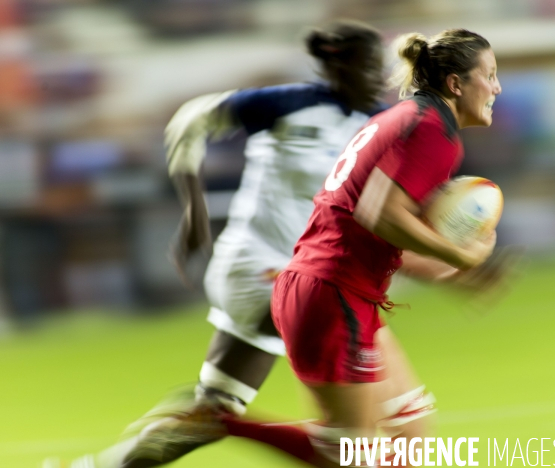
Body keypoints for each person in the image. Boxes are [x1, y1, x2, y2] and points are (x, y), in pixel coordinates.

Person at [55, 19, 389, 468]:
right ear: (340, 66)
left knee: (213, 410)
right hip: (260, 267)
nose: (380, 76)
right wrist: (194, 210)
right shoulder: (288, 104)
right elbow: (190, 120)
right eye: (370, 66)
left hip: (302, 276)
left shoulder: (377, 127)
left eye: (382, 66)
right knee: (356, 430)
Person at [178, 28, 503, 468]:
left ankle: (217, 420)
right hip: (331, 295)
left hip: (336, 289)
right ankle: (217, 421)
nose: (497, 88)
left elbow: (372, 229)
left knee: (411, 434)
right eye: (490, 75)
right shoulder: (432, 134)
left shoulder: (403, 118)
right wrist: (461, 254)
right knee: (352, 458)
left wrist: (449, 272)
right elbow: (380, 215)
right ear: (455, 84)